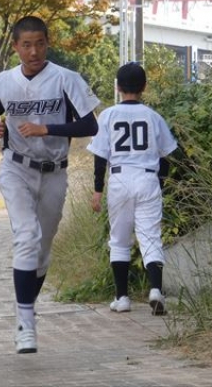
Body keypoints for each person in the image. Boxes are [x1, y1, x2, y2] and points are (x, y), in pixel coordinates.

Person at [0, 15, 100, 354]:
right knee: (27, 236)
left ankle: (26, 311)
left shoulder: (66, 79)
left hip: (54, 172)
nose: (34, 52)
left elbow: (90, 126)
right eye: (27, 45)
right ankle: (25, 323)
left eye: (40, 44)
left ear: (48, 43)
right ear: (16, 47)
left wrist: (48, 129)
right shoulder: (4, 82)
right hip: (16, 168)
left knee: (42, 250)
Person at [87, 62, 177, 316]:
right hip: (147, 177)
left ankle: (122, 298)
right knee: (150, 237)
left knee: (119, 239)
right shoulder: (153, 116)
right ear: (144, 87)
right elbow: (167, 156)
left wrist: (97, 190)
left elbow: (100, 157)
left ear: (117, 87)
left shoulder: (108, 115)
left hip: (119, 178)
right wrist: (159, 184)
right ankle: (156, 290)